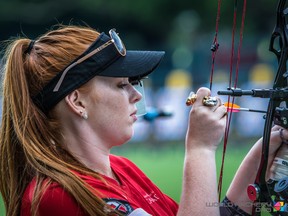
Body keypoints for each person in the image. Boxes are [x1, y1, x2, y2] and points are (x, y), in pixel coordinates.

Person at [0, 24, 286, 216]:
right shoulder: (58, 197)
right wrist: (200, 149)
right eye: (121, 85)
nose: (136, 95)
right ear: (77, 101)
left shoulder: (122, 169)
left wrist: (261, 157)